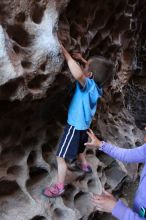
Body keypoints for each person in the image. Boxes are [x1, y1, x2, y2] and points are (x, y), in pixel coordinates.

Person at [43, 45, 113, 198]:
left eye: (86, 66)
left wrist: (65, 52)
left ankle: (59, 186)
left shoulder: (87, 85)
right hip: (85, 127)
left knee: (60, 156)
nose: (83, 66)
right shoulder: (98, 87)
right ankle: (84, 164)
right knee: (80, 148)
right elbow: (96, 73)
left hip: (74, 127)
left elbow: (79, 75)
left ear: (90, 74)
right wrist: (82, 59)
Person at [85, 128, 146, 219]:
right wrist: (100, 144)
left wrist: (116, 208)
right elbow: (127, 155)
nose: (145, 128)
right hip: (140, 206)